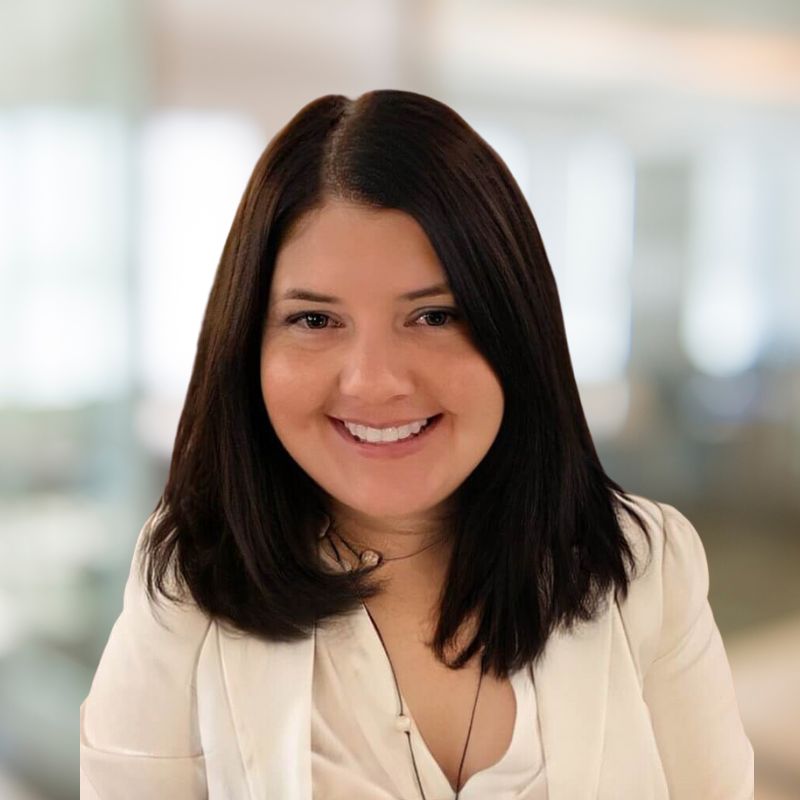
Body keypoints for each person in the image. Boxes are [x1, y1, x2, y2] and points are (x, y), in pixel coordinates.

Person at [79, 89, 754, 799]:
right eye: (315, 320)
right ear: (247, 342)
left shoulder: (646, 569)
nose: (374, 382)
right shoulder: (191, 581)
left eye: (434, 315)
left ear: (516, 327)